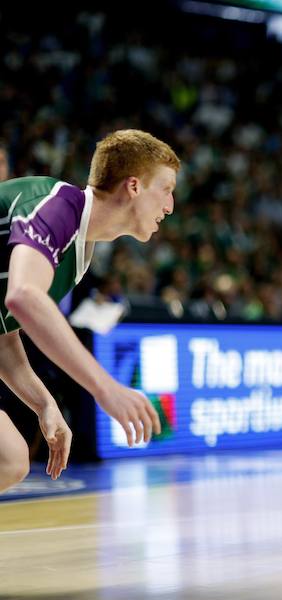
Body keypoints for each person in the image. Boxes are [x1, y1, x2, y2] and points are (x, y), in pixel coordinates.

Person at [0, 129, 177, 492]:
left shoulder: (81, 251)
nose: (170, 206)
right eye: (166, 189)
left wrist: (45, 405)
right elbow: (22, 295)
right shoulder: (56, 203)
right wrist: (104, 388)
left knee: (9, 458)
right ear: (134, 186)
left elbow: (3, 337)